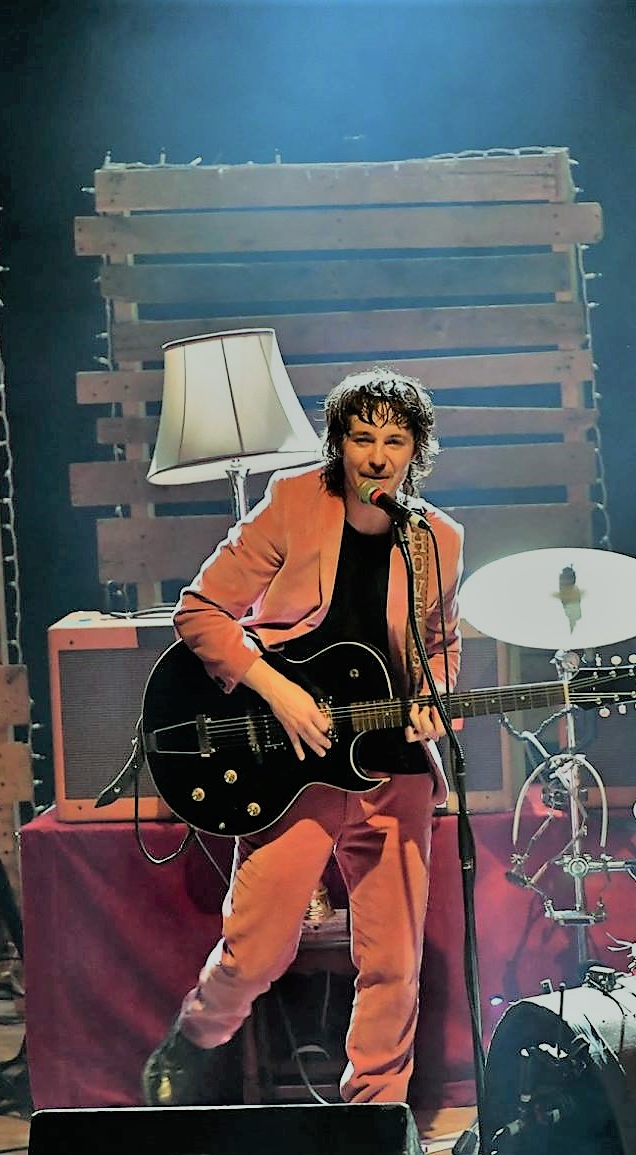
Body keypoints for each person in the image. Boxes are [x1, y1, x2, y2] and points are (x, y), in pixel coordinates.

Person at [143, 368, 463, 1108]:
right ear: (338, 444)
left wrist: (432, 698)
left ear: (417, 450)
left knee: (393, 964)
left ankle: (373, 1127)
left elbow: (444, 646)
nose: (378, 456)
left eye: (395, 439)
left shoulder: (439, 539)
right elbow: (200, 613)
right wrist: (275, 687)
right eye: (362, 438)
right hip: (292, 767)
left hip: (393, 769)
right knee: (257, 949)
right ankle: (196, 1034)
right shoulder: (293, 502)